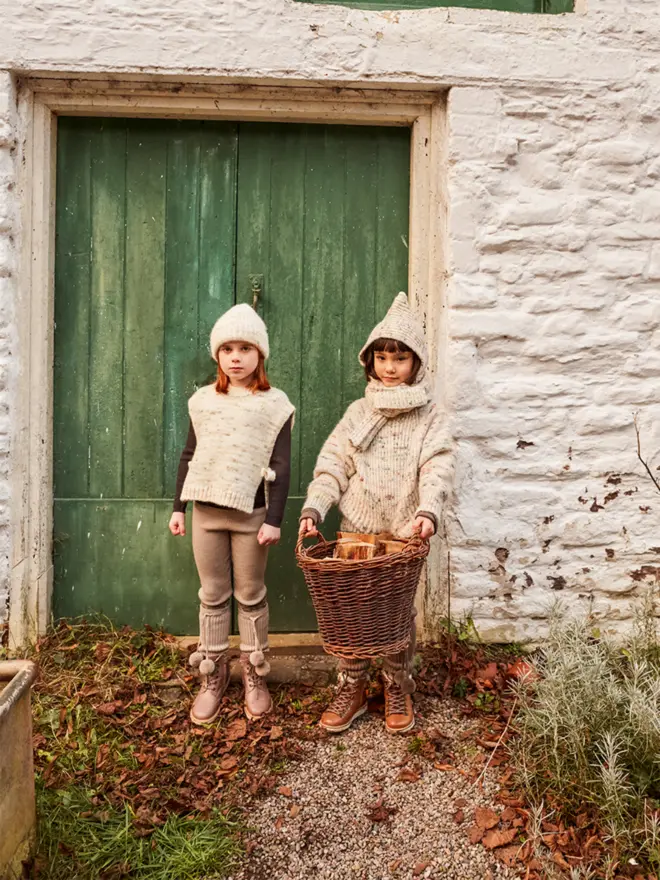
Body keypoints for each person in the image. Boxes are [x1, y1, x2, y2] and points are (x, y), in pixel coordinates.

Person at [299, 293, 452, 735]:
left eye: (400, 359)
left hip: (404, 533)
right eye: (382, 357)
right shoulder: (357, 413)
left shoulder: (429, 416)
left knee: (394, 612)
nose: (390, 367)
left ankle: (396, 684)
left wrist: (428, 510)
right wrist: (315, 505)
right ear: (370, 361)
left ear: (416, 363)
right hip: (356, 532)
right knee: (350, 611)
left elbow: (438, 464)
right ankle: (352, 686)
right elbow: (334, 465)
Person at [170, 304, 294, 724]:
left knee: (251, 594)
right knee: (212, 594)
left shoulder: (274, 405)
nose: (236, 356)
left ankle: (254, 672)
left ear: (260, 354)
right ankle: (214, 673)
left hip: (251, 516)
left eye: (245, 348)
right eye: (227, 349)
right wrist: (178, 508)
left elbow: (281, 465)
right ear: (217, 356)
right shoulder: (203, 402)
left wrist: (274, 518)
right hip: (206, 513)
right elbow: (190, 454)